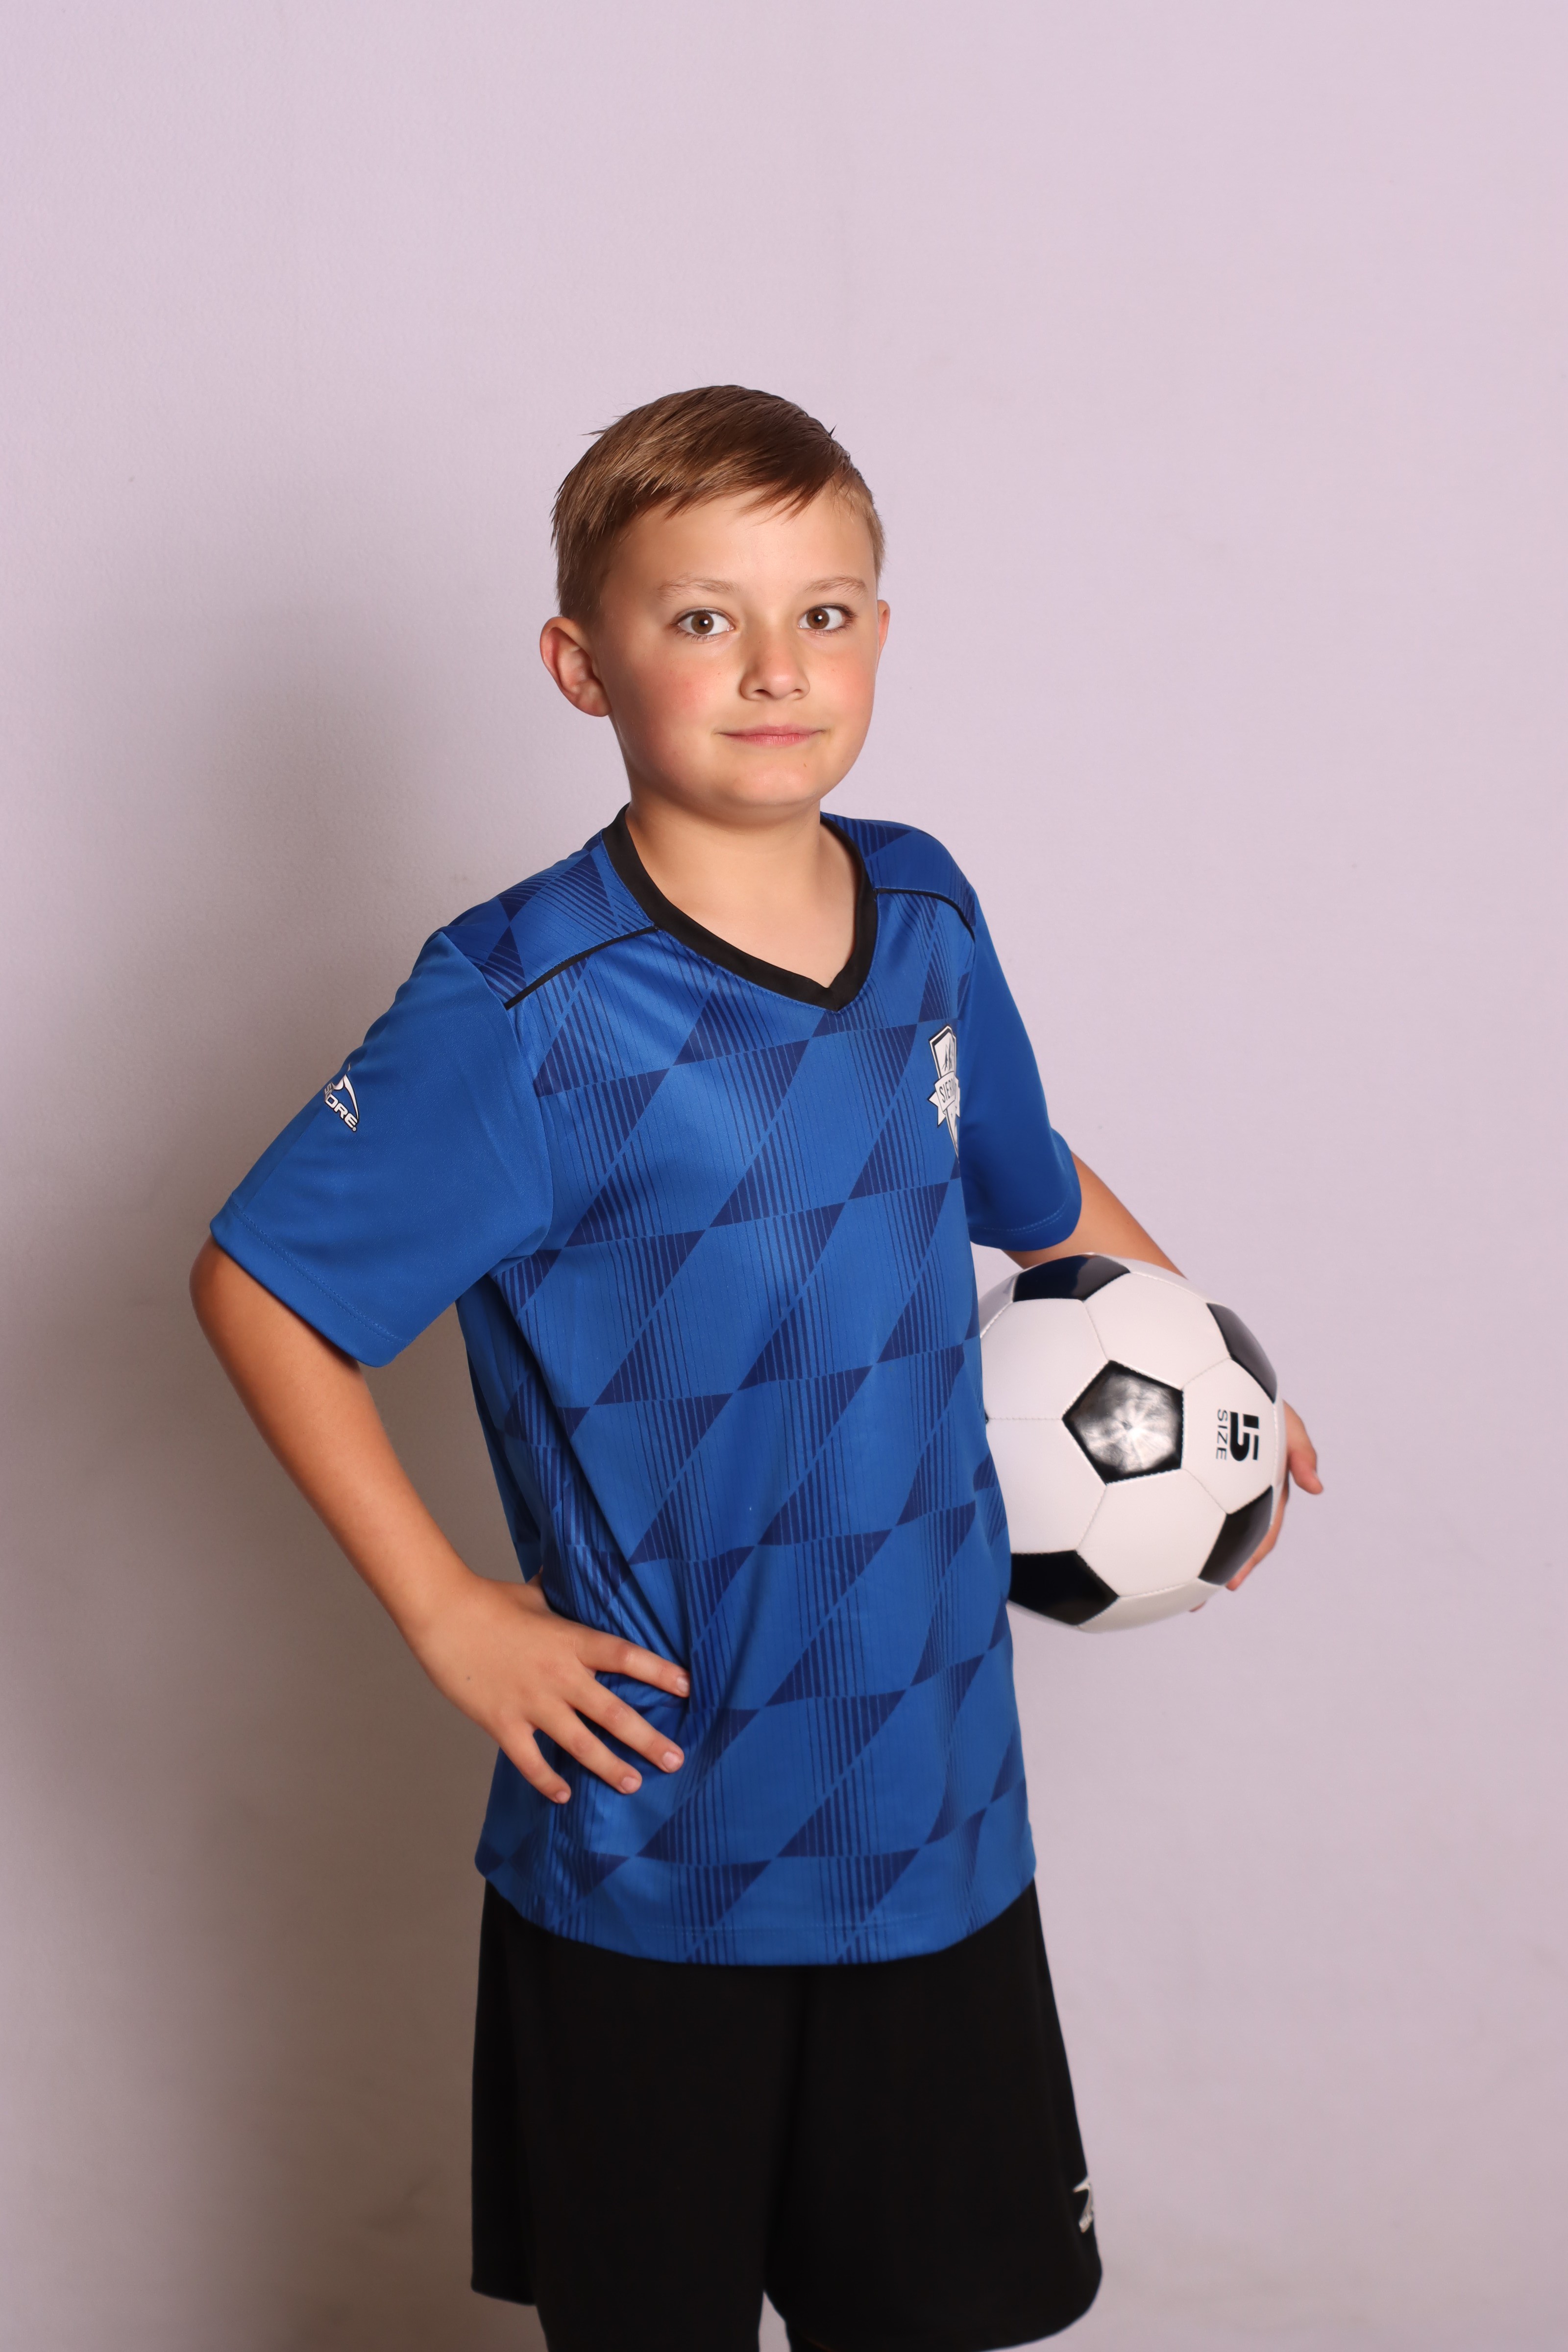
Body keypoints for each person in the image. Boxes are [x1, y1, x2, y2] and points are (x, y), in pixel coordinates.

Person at [192, 385, 1321, 2352]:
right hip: (662, 1850)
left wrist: (1210, 1393)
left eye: (825, 613)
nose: (775, 668)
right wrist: (449, 1612)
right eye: (703, 618)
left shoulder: (927, 914)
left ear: (881, 634)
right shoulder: (517, 1007)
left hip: (936, 1822)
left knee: (929, 2317)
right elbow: (261, 1287)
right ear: (583, 663)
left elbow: (1032, 1190)